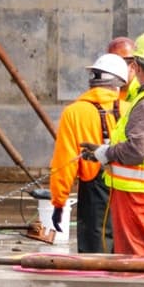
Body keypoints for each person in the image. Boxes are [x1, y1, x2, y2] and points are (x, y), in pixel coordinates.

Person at [83, 30, 144, 256]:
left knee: (139, 262)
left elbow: (139, 148)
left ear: (136, 66)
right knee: (143, 257)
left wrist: (105, 153)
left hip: (142, 198)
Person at [48, 53, 129, 253]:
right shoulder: (132, 109)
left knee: (94, 256)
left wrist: (59, 202)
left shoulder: (74, 112)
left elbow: (64, 163)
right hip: (130, 188)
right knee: (125, 250)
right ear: (119, 83)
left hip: (94, 192)